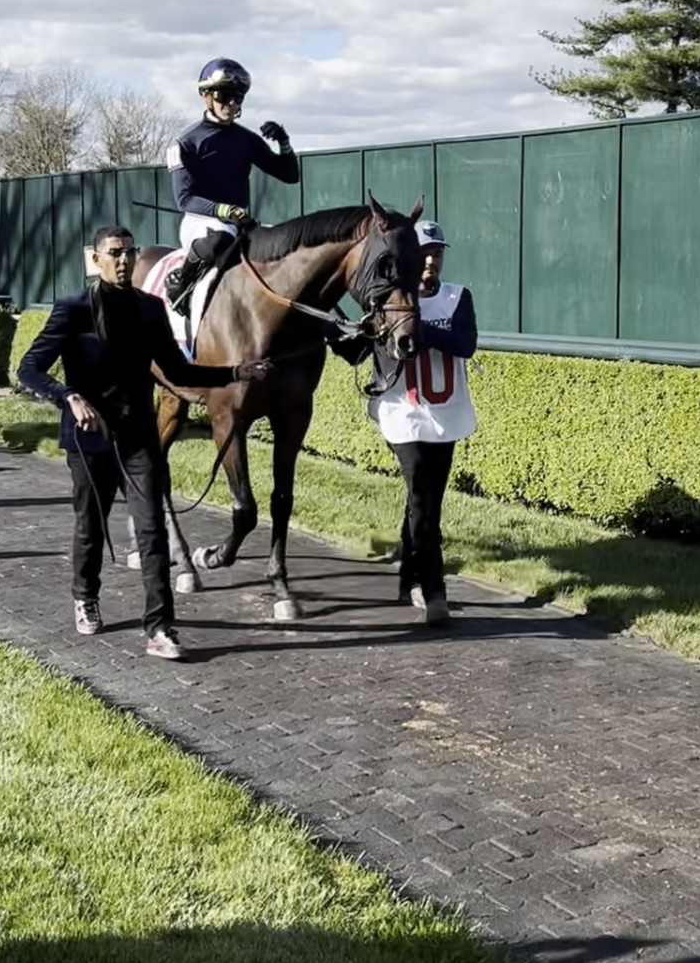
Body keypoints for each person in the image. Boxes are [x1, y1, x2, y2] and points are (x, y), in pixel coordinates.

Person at [18, 225, 271, 659]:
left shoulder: (151, 309)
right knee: (90, 527)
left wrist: (235, 373)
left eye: (130, 253)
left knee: (152, 531)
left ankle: (160, 628)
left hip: (138, 437)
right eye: (114, 253)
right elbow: (29, 369)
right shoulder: (74, 309)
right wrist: (68, 396)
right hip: (90, 439)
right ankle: (85, 594)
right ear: (95, 259)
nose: (123, 261)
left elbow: (180, 371)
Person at [328, 219, 477, 624]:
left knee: (426, 502)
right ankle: (434, 591)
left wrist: (415, 330)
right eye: (424, 254)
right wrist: (333, 323)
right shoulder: (385, 302)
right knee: (423, 501)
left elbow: (466, 343)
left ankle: (408, 576)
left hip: (445, 416)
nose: (431, 262)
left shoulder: (457, 297)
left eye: (438, 254)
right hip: (403, 413)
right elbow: (355, 354)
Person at [163, 58, 300, 313]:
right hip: (201, 221)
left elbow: (290, 175)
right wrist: (223, 211)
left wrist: (284, 142)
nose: (233, 103)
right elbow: (185, 200)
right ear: (206, 96)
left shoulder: (246, 139)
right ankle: (180, 284)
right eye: (225, 95)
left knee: (291, 247)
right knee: (219, 241)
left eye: (238, 97)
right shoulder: (184, 143)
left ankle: (336, 333)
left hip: (241, 222)